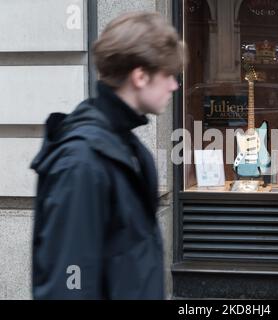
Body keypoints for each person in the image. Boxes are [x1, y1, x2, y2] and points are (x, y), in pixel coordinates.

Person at [30, 12, 185, 299]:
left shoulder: (125, 146)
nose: (175, 86)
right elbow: (69, 284)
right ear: (140, 76)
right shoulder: (82, 160)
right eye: (169, 75)